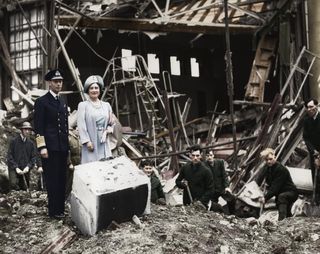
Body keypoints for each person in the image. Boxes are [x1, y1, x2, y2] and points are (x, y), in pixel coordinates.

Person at [33, 69, 69, 219]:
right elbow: (38, 127)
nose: (59, 84)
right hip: (49, 148)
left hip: (62, 147)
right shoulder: (42, 102)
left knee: (62, 179)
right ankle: (53, 211)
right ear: (49, 83)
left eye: (60, 81)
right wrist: (42, 147)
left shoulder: (62, 101)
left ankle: (60, 209)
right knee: (52, 179)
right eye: (56, 81)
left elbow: (65, 126)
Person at [77, 75, 114, 164]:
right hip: (91, 140)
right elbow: (81, 125)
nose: (94, 90)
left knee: (105, 165)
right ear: (88, 90)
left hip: (103, 140)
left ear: (99, 90)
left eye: (96, 88)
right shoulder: (83, 105)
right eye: (91, 88)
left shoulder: (106, 105)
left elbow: (111, 121)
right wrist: (87, 141)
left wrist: (109, 129)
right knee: (92, 166)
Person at [257, 148, 298, 221]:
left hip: (291, 192)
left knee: (281, 198)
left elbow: (275, 187)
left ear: (274, 157)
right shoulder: (267, 167)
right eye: (266, 160)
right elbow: (259, 178)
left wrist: (265, 198)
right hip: (280, 193)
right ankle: (289, 221)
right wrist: (255, 189)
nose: (269, 161)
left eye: (270, 159)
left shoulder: (281, 169)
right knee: (287, 212)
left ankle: (280, 222)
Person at [7, 122, 37, 190]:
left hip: (25, 169)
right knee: (13, 184)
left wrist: (28, 167)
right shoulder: (14, 141)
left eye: (29, 130)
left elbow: (33, 158)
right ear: (21, 130)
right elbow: (9, 156)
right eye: (25, 129)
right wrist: (16, 168)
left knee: (24, 188)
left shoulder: (31, 143)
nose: (27, 131)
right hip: (14, 168)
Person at [205, 149, 235, 214]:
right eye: (207, 156)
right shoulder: (204, 166)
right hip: (212, 191)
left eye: (210, 155)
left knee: (232, 198)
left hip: (221, 189)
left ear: (213, 155)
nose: (209, 157)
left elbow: (224, 176)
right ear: (205, 157)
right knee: (215, 208)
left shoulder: (220, 162)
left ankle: (232, 214)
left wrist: (226, 187)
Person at [303, 98, 320, 203]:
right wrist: (314, 152)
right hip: (314, 152)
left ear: (317, 106)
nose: (309, 109)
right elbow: (306, 138)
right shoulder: (306, 120)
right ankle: (317, 200)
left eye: (311, 107)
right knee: (315, 175)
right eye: (307, 107)